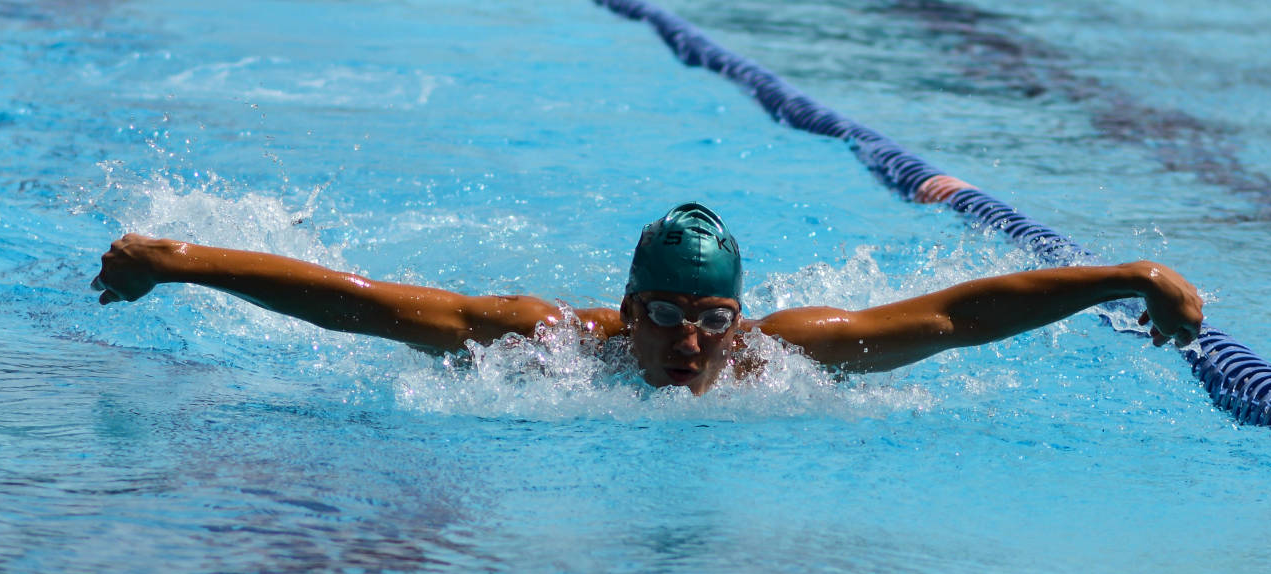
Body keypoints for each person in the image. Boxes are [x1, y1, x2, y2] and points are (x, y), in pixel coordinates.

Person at [91, 202, 1204, 395]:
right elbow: (362, 303)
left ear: (739, 317)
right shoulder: (545, 348)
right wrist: (182, 260)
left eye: (710, 320)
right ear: (627, 313)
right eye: (664, 317)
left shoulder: (782, 357)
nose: (687, 342)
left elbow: (961, 315)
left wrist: (1126, 274)